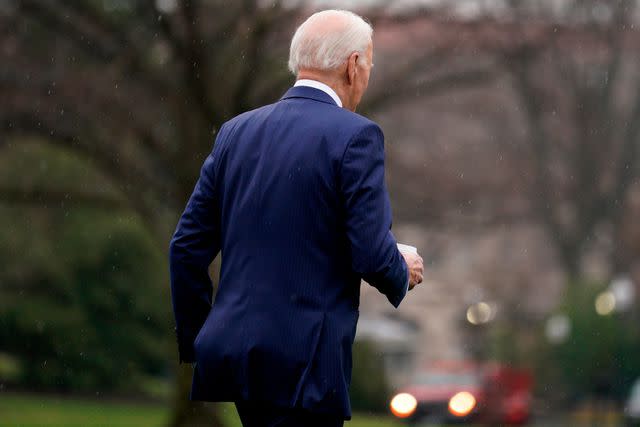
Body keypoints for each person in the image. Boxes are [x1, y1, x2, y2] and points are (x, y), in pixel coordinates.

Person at [169, 9, 424, 427]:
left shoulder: (236, 132)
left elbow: (186, 248)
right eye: (370, 64)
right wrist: (402, 266)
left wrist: (199, 336)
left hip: (237, 355)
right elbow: (371, 255)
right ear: (353, 64)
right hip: (306, 362)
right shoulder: (357, 136)